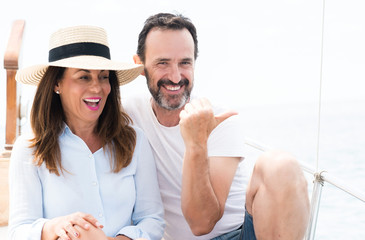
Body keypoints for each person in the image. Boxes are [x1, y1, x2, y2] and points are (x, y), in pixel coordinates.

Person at [123, 13, 310, 240]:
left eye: (185, 63)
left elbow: (203, 223)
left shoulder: (219, 119)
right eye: (162, 63)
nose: (175, 76)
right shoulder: (129, 114)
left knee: (280, 165)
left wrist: (196, 143)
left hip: (238, 235)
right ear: (140, 66)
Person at [8, 25, 165, 240]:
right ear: (56, 83)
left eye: (103, 77)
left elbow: (152, 219)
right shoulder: (29, 149)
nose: (97, 88)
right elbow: (18, 231)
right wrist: (53, 227)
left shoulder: (134, 140)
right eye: (84, 77)